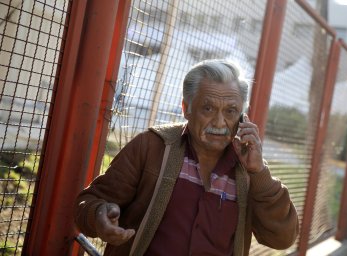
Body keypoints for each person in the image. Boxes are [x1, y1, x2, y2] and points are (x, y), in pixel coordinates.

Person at [74, 59, 299, 256]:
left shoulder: (249, 171)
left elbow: (282, 238)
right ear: (186, 109)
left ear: (242, 117)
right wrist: (99, 215)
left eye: (230, 111)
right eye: (208, 108)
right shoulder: (150, 147)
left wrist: (260, 173)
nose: (220, 123)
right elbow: (89, 203)